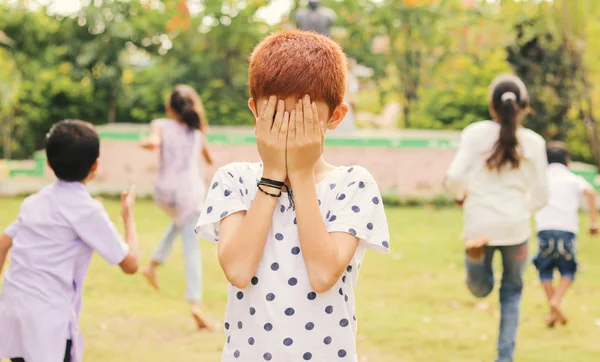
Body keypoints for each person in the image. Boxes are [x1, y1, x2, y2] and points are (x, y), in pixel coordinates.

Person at [195, 30, 390, 362]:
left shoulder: (353, 184)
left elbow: (323, 274)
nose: (288, 131)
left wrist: (300, 175)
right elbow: (239, 270)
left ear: (335, 117)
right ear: (256, 111)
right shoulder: (234, 179)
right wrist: (272, 176)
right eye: (276, 117)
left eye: (302, 119)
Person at [0, 120, 139, 362]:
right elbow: (131, 264)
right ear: (95, 166)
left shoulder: (34, 202)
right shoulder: (87, 210)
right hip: (47, 320)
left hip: (14, 309)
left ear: (49, 163)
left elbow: (3, 242)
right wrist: (128, 217)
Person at [445, 74, 548, 362]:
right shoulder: (534, 143)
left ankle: (475, 259)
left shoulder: (475, 133)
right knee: (512, 292)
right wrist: (523, 208)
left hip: (479, 224)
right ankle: (505, 358)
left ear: (491, 106)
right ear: (524, 106)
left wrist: (460, 195)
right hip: (515, 228)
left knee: (481, 290)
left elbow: (453, 177)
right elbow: (541, 197)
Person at [140, 85, 215, 330]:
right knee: (191, 245)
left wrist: (150, 144)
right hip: (189, 195)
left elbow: (155, 140)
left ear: (169, 109)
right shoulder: (196, 133)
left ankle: (152, 265)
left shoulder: (160, 124)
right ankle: (195, 304)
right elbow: (208, 158)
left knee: (179, 223)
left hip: (164, 194)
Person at [533, 142, 598, 327]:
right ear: (567, 161)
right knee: (568, 269)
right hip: (566, 231)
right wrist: (593, 222)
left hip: (544, 230)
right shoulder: (571, 178)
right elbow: (590, 192)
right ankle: (556, 301)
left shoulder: (541, 178)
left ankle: (552, 310)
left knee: (544, 269)